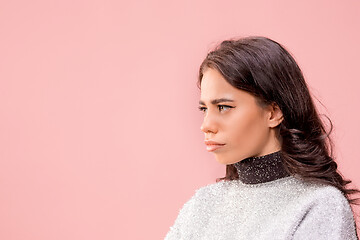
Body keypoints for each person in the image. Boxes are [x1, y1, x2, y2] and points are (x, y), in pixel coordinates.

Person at [164, 36, 360, 240]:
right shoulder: (202, 205)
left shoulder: (319, 205)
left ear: (273, 112)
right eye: (204, 109)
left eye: (223, 107)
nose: (206, 126)